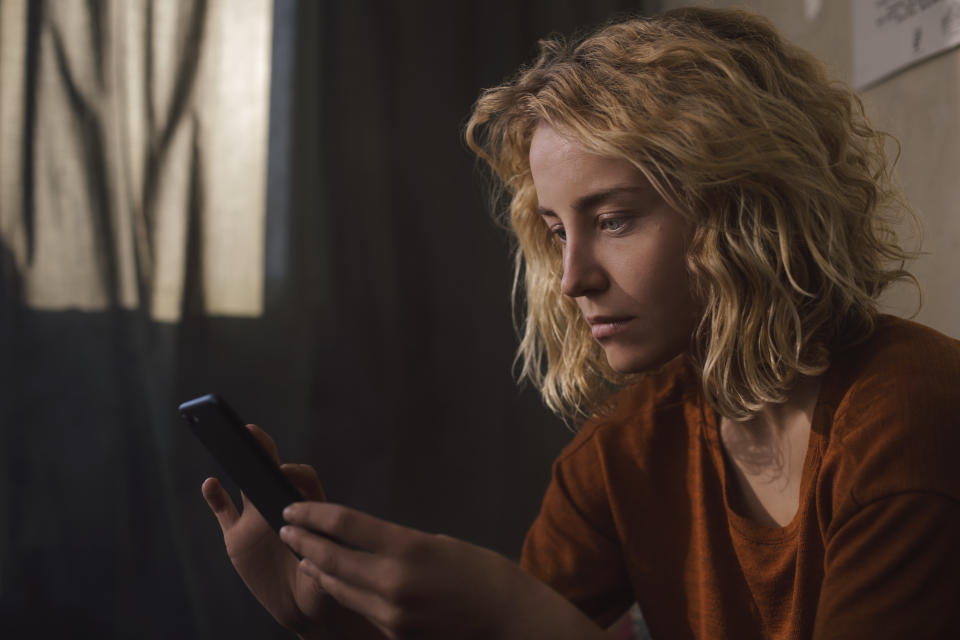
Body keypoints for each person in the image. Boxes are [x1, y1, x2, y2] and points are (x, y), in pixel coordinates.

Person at [202, 7, 960, 639]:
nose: (572, 279)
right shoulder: (627, 450)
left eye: (616, 219)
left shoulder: (910, 414)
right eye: (560, 231)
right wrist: (328, 619)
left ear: (747, 208)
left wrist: (511, 609)